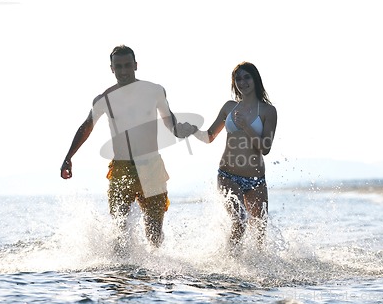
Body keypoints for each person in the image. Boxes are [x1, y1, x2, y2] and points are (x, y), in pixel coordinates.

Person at [60, 45, 196, 248]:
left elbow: (169, 121)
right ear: (111, 68)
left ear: (135, 65)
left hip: (151, 166)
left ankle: (152, 276)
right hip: (121, 169)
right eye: (118, 67)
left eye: (127, 66)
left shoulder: (154, 91)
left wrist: (180, 130)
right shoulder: (104, 99)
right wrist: (69, 156)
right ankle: (122, 275)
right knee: (119, 229)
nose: (123, 71)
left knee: (154, 233)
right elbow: (87, 126)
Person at [194, 62, 277, 248]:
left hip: (256, 180)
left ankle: (255, 272)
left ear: (255, 79)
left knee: (259, 236)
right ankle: (229, 265)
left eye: (247, 77)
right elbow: (209, 137)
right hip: (228, 175)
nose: (242, 82)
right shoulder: (229, 107)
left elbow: (266, 148)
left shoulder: (268, 111)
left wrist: (246, 126)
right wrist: (191, 130)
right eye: (238, 79)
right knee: (239, 222)